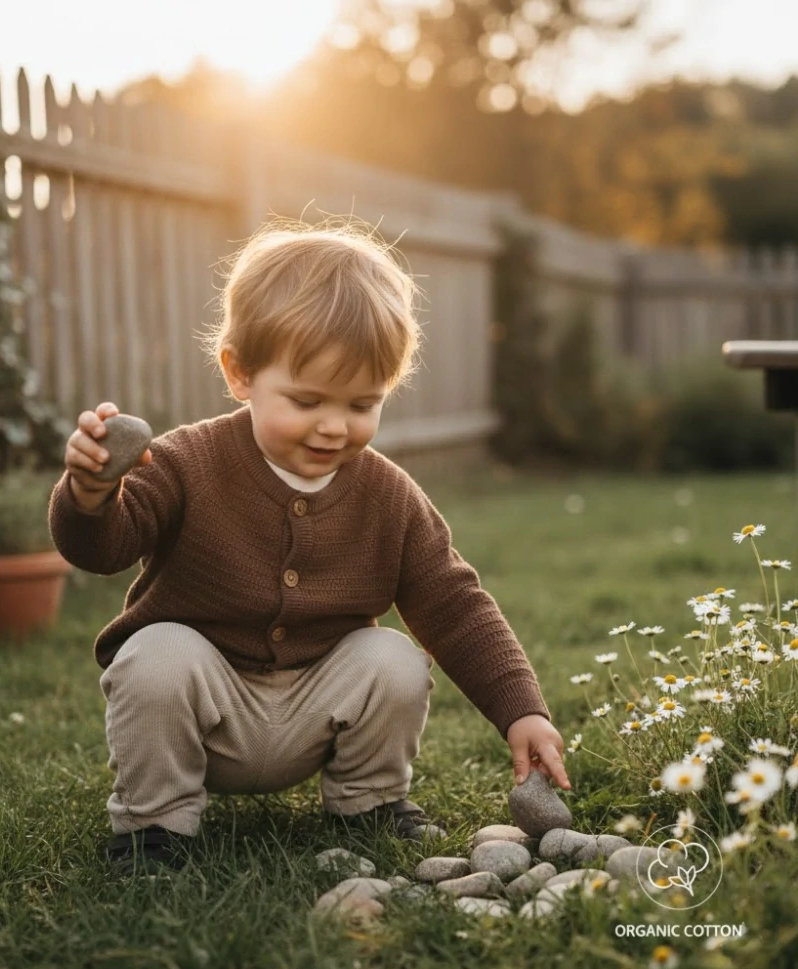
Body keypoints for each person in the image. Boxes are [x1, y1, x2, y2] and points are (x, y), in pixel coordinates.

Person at [47, 220, 571, 875]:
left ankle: (369, 801)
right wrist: (92, 496)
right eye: (307, 400)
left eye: (362, 403)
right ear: (240, 374)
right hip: (204, 711)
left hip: (315, 715)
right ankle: (154, 824)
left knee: (392, 658)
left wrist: (520, 710)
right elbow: (103, 548)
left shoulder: (387, 496)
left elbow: (453, 601)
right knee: (155, 653)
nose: (333, 425)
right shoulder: (187, 461)